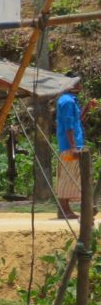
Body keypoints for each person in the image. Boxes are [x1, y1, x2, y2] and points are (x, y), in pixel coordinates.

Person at [55, 89, 92, 220]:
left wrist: (87, 108)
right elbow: (68, 125)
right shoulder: (67, 101)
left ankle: (65, 209)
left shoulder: (70, 100)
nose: (80, 86)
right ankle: (64, 210)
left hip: (73, 144)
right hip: (69, 146)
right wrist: (73, 147)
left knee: (72, 176)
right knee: (67, 177)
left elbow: (76, 120)